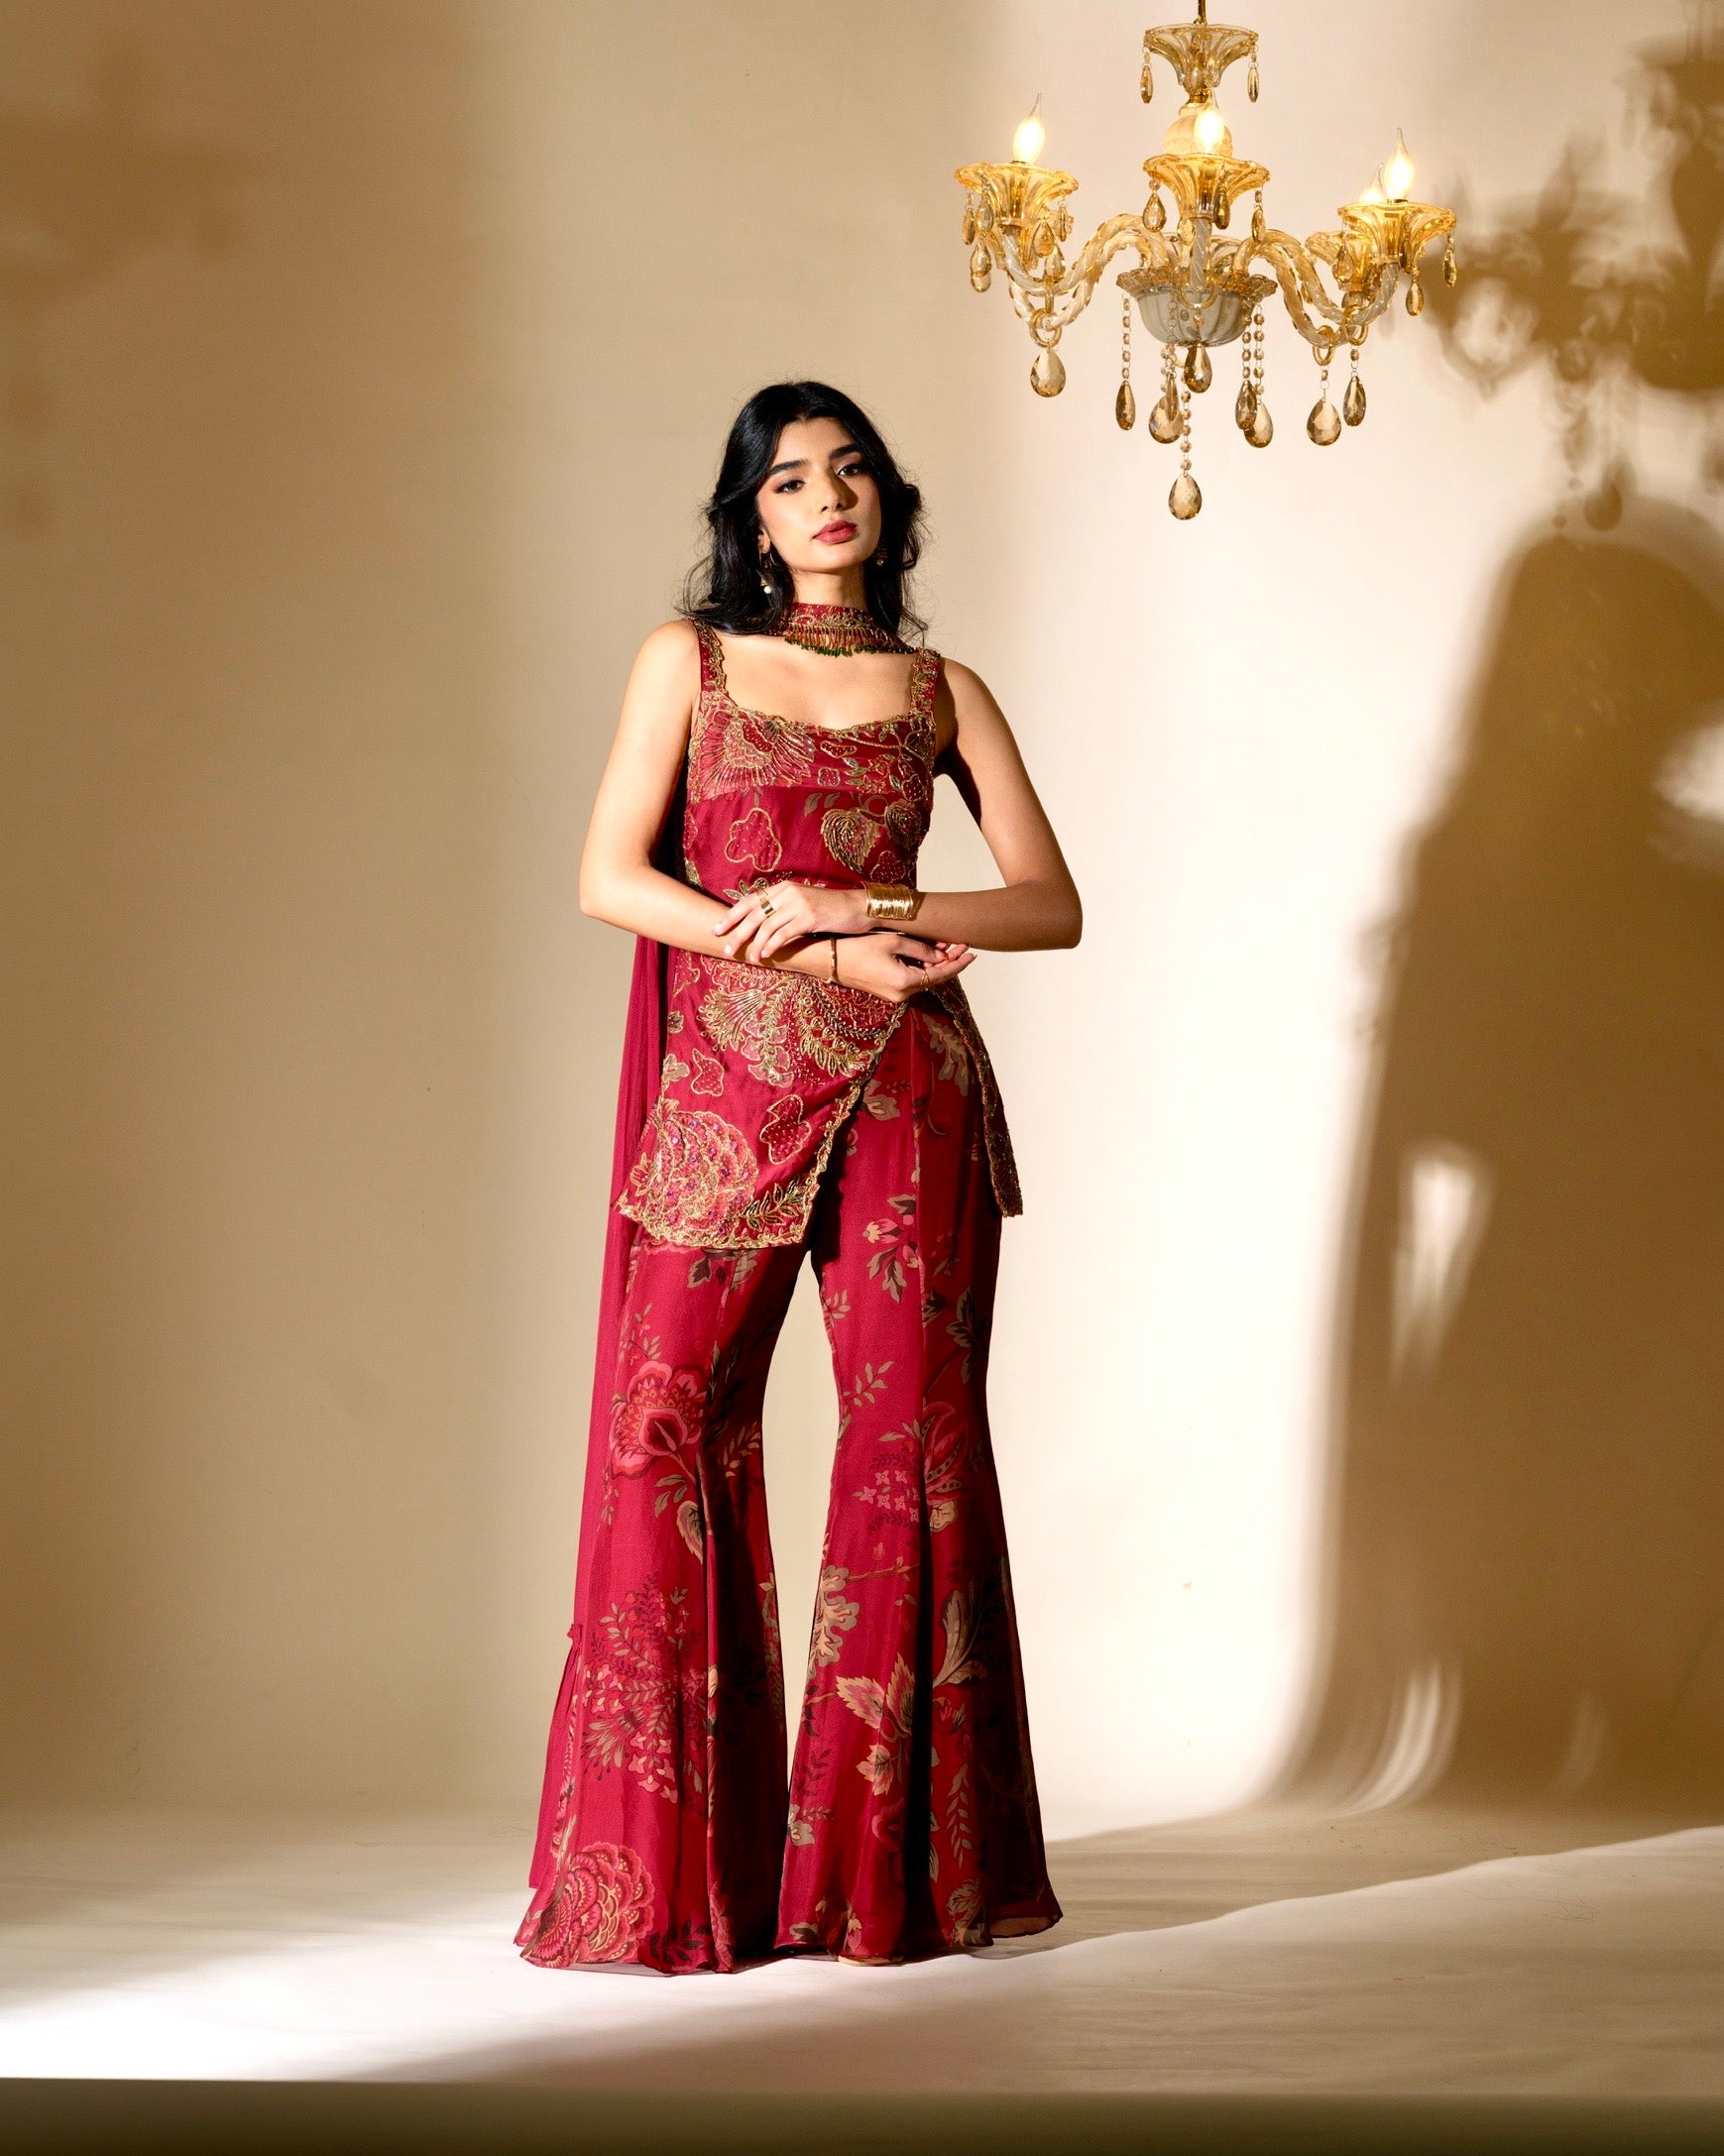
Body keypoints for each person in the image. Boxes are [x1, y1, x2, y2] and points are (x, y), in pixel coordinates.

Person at [517, 381, 1080, 1973]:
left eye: (849, 474)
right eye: (787, 482)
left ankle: (883, 1886)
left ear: (887, 500)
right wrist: (819, 930)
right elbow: (611, 875)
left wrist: (870, 893)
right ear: (748, 517)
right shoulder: (687, 662)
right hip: (729, 1092)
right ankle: (673, 1884)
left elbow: (1052, 903)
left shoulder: (940, 685)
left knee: (911, 1445)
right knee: (663, 1427)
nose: (825, 499)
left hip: (914, 1083)